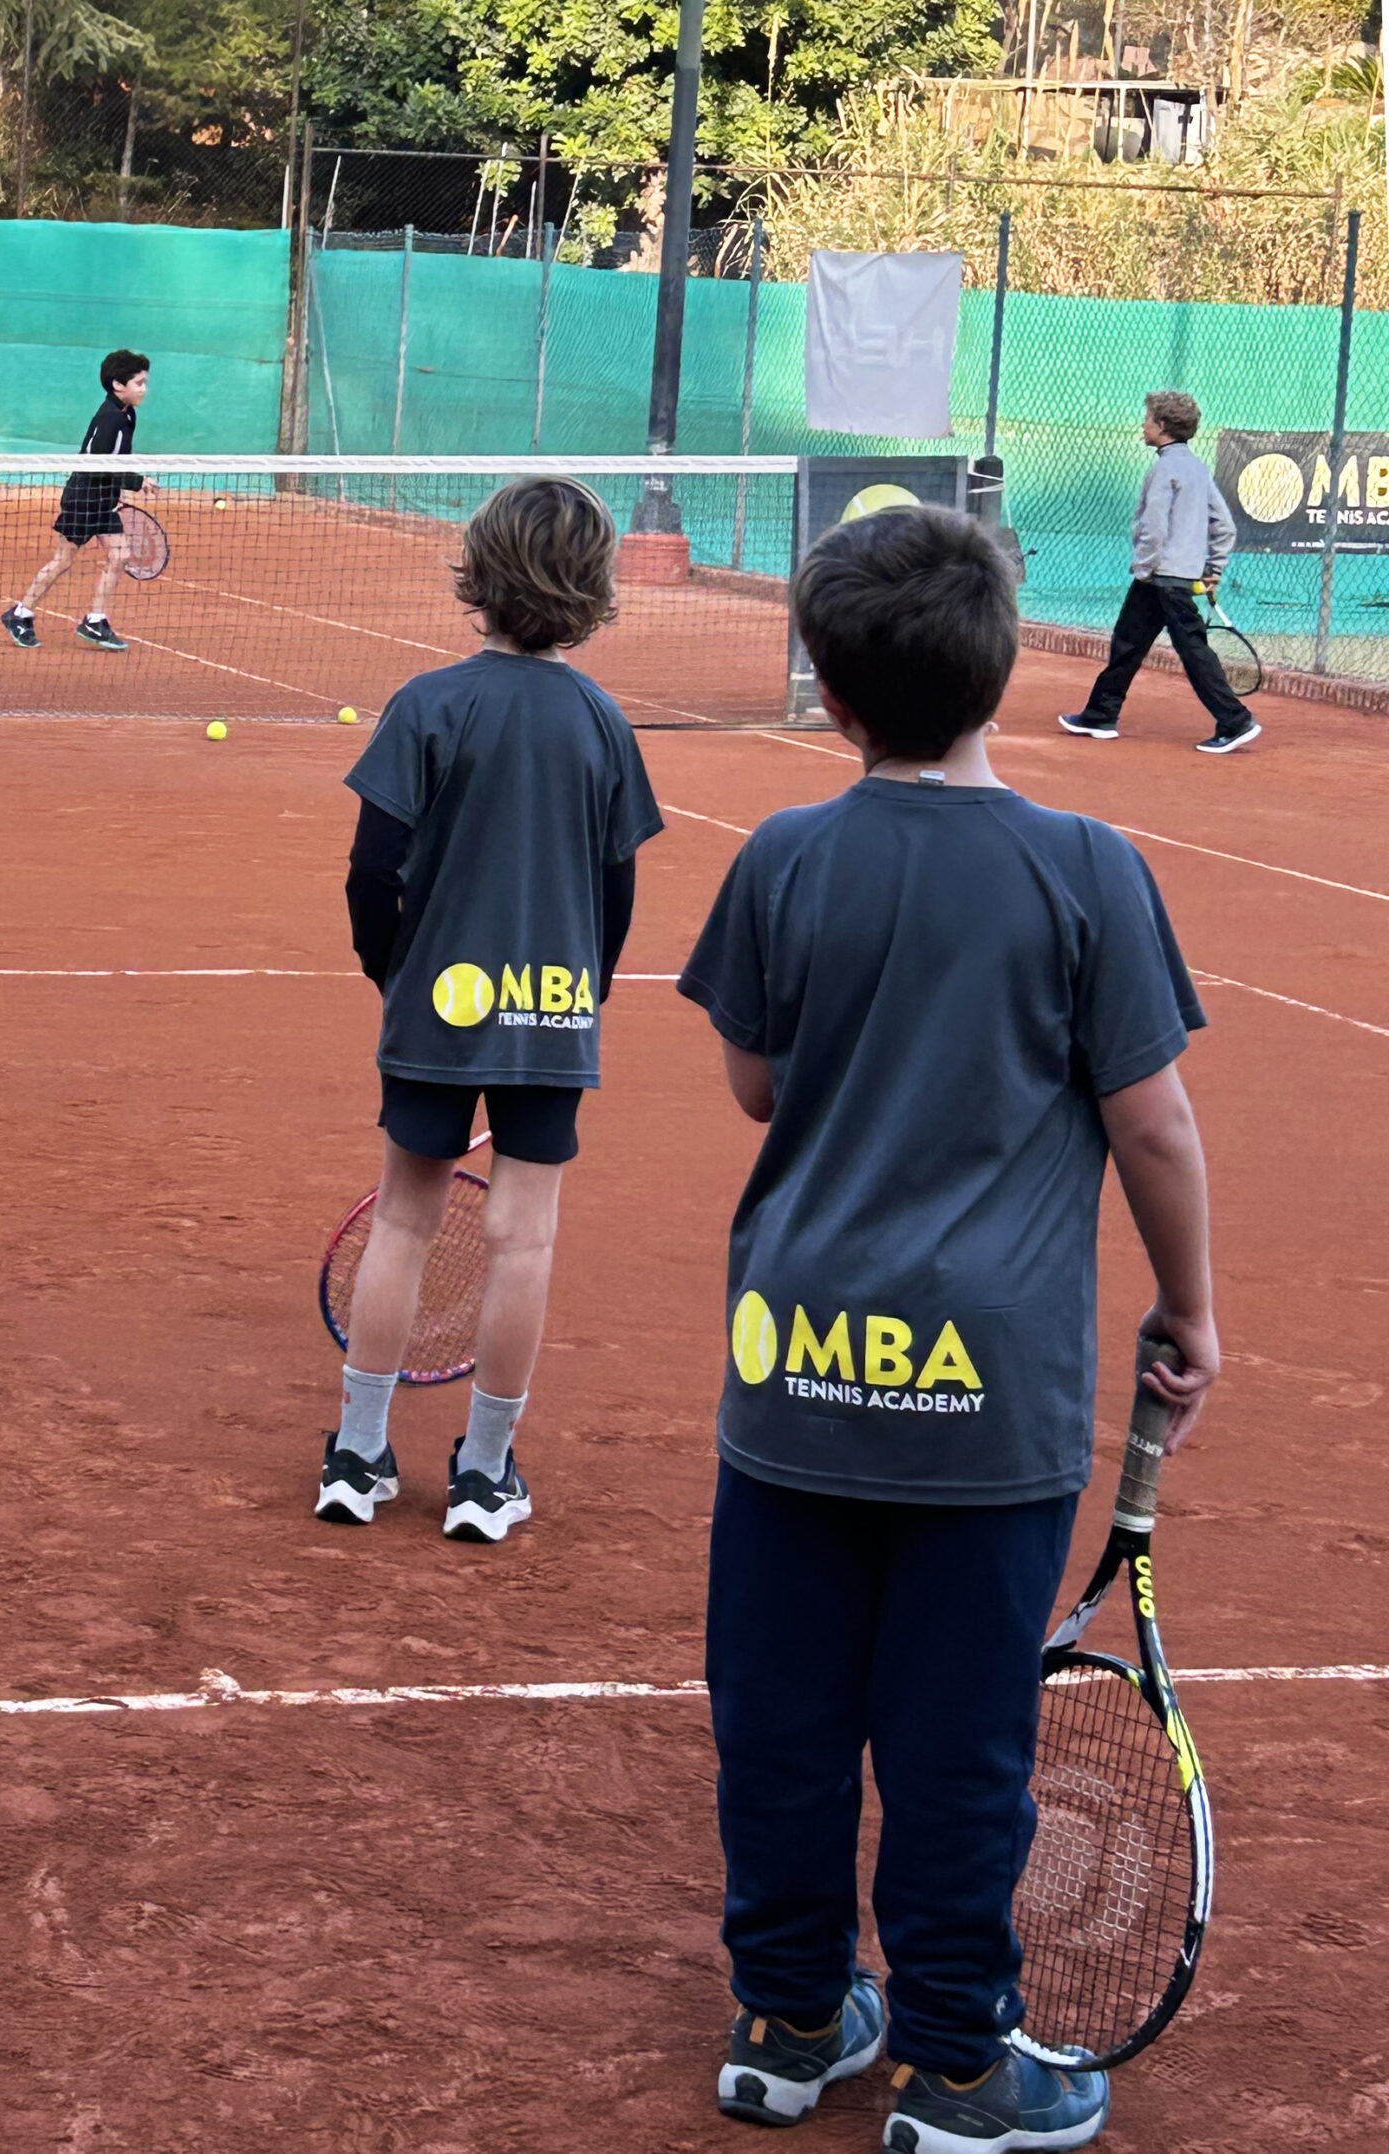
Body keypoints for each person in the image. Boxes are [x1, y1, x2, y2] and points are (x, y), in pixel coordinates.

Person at [680, 507, 1219, 2151]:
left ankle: (783, 2013)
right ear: (1003, 666)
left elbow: (761, 1080)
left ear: (831, 694)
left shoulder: (782, 852)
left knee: (777, 1708)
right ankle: (959, 2060)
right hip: (988, 1403)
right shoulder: (1088, 869)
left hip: (793, 1380)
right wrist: (1189, 1308)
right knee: (958, 1737)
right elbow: (1155, 1125)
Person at [318, 477, 663, 1543]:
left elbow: (370, 871)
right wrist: (581, 993)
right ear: (593, 592)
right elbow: (616, 891)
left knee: (406, 1217)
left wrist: (395, 973)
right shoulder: (605, 724)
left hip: (438, 1000)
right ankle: (482, 1472)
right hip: (553, 1009)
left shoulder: (428, 704)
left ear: (478, 574)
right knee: (521, 1238)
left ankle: (358, 1456)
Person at [1059, 389, 1260, 753]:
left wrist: (1145, 566)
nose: (1143, 425)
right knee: (1128, 643)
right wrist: (1213, 569)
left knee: (1193, 651)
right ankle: (1099, 715)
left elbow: (1153, 527)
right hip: (1169, 578)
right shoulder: (1197, 468)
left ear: (1162, 426)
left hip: (1161, 578)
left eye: (1148, 419)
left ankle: (1235, 720)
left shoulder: (1164, 468)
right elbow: (1225, 527)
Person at [0, 351, 155, 653]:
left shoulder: (127, 413)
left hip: (103, 499)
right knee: (63, 560)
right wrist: (136, 482)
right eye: (138, 383)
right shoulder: (110, 418)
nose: (143, 389)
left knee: (120, 556)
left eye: (145, 382)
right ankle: (20, 614)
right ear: (117, 385)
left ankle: (95, 620)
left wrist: (116, 493)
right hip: (83, 499)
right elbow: (98, 464)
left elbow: (116, 461)